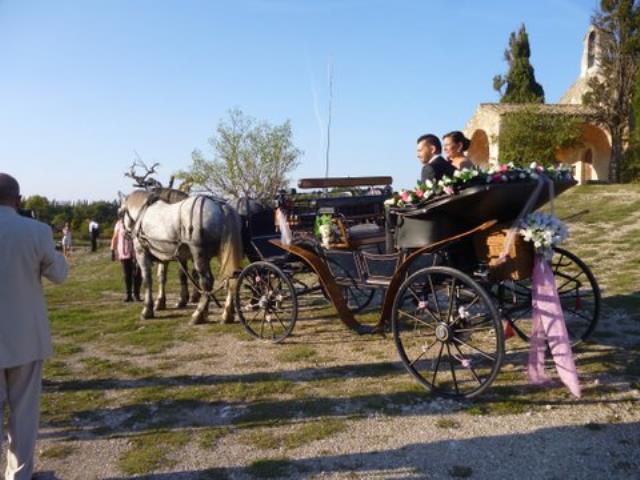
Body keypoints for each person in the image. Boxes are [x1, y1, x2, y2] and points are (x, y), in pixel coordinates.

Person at [0, 173, 68, 480]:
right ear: (18, 200)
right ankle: (20, 475)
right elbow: (59, 276)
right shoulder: (36, 231)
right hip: (25, 336)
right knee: (24, 413)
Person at [111, 216, 142, 302]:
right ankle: (128, 295)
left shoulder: (136, 222)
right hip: (124, 252)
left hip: (136, 253)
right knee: (127, 274)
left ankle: (137, 294)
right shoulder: (119, 224)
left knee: (137, 274)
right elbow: (115, 237)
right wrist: (112, 250)